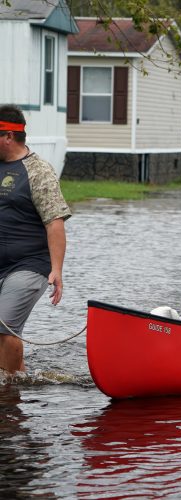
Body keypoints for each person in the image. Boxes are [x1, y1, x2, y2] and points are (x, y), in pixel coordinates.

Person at [0, 104, 71, 374]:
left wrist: (56, 270)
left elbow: (54, 222)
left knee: (4, 326)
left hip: (29, 265)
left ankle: (8, 394)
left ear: (8, 136)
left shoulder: (38, 171)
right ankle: (22, 377)